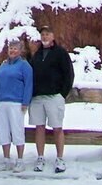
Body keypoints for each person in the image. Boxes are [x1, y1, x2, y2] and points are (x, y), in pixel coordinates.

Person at [29, 24, 74, 173]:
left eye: (47, 34)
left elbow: (68, 74)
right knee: (39, 127)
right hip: (37, 97)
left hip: (54, 97)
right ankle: (40, 157)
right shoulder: (37, 54)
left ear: (53, 36)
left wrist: (62, 94)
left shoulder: (60, 53)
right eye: (43, 34)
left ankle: (59, 158)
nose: (45, 36)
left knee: (57, 127)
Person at [0, 36, 33, 172]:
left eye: (15, 49)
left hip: (16, 103)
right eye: (10, 48)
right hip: (1, 102)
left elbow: (28, 84)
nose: (12, 51)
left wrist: (25, 102)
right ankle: (6, 160)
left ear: (20, 51)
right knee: (3, 131)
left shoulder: (24, 66)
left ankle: (20, 161)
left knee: (17, 130)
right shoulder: (3, 65)